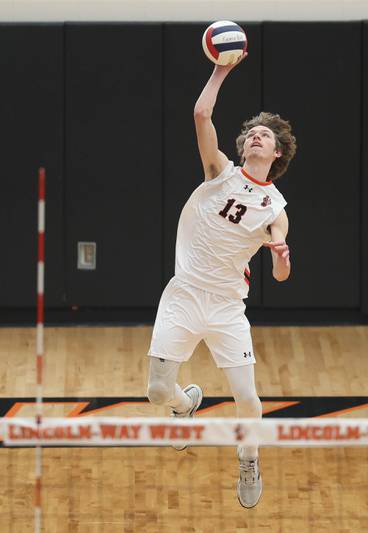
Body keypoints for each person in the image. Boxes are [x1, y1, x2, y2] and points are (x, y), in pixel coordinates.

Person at [145, 52, 296, 509]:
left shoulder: (275, 207)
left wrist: (281, 258)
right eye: (252, 132)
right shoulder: (220, 172)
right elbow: (200, 113)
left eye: (265, 135)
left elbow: (282, 268)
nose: (256, 135)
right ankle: (182, 405)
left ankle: (248, 458)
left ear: (277, 153)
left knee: (248, 399)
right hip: (185, 294)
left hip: (228, 307)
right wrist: (221, 70)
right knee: (155, 390)